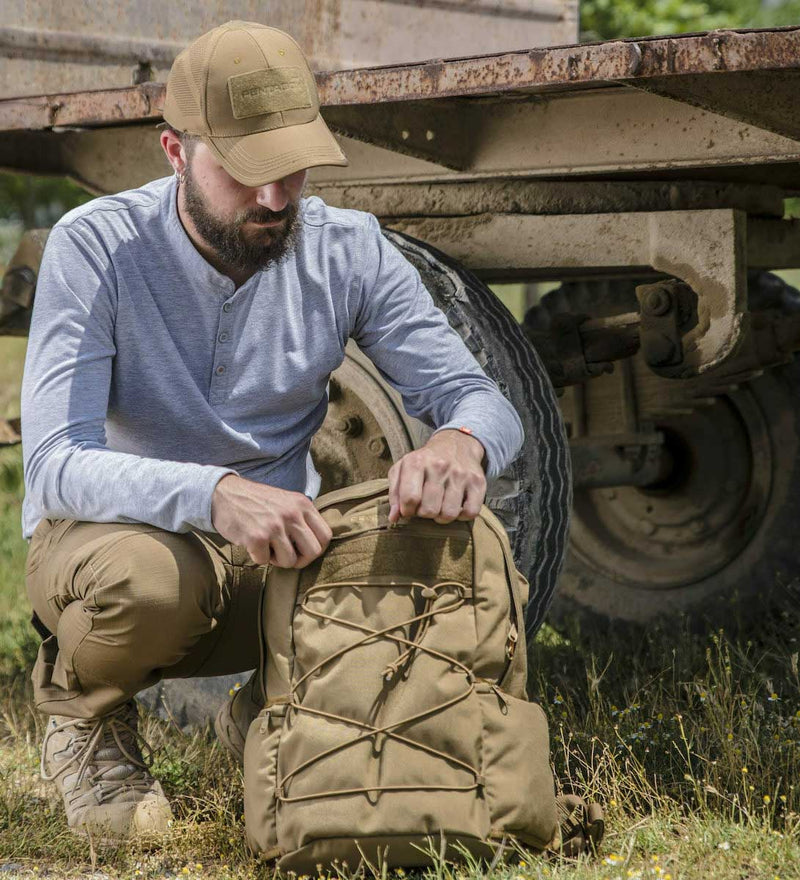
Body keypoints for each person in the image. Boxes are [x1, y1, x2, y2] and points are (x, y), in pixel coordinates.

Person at [20, 20, 524, 842]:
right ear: (175, 152)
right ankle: (87, 720)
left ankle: (272, 711)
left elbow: (482, 398)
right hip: (112, 549)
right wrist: (215, 493)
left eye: (291, 167)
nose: (275, 198)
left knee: (429, 551)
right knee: (154, 582)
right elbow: (52, 465)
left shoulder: (349, 250)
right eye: (246, 171)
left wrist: (458, 443)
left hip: (274, 559)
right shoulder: (97, 246)